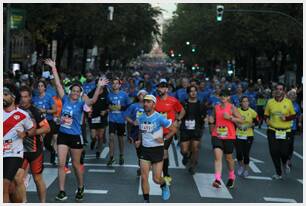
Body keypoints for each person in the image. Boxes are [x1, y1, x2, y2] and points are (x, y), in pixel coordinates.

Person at [45, 58, 109, 201]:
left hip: (75, 136)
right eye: (73, 90)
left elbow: (92, 101)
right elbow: (58, 84)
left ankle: (80, 187)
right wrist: (54, 68)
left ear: (80, 93)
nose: (74, 93)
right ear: (70, 91)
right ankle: (62, 191)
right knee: (61, 164)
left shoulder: (81, 104)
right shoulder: (65, 99)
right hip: (63, 135)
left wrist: (99, 86)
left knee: (76, 164)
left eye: (77, 91)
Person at [11, 86, 51, 203]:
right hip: (19, 151)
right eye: (21, 97)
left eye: (26, 97)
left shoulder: (36, 111)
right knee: (18, 179)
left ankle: (42, 203)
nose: (23, 99)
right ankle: (24, 202)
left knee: (37, 179)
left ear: (30, 98)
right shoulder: (14, 111)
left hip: (34, 151)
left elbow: (47, 128)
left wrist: (28, 133)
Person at [136, 94, 177, 203]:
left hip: (157, 150)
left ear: (154, 104)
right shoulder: (141, 117)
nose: (145, 104)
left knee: (156, 179)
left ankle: (163, 185)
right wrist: (139, 140)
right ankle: (146, 201)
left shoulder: (159, 117)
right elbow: (141, 130)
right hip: (145, 150)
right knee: (144, 177)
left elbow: (173, 130)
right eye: (145, 102)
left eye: (149, 102)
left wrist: (164, 139)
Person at [3, 84, 35, 203]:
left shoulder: (22, 115)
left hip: (13, 154)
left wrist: (25, 134)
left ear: (13, 97)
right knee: (11, 188)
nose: (2, 97)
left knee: (4, 185)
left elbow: (32, 129)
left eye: (5, 95)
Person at [209, 89, 243, 189]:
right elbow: (213, 118)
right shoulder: (216, 107)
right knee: (217, 157)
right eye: (221, 95)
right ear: (219, 97)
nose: (223, 97)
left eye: (225, 95)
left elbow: (241, 120)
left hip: (229, 136)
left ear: (228, 97)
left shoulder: (232, 107)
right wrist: (211, 121)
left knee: (228, 159)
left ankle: (232, 176)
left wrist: (230, 118)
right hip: (217, 135)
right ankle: (217, 179)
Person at [155, 79, 185, 185]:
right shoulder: (154, 100)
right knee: (159, 152)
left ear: (167, 89)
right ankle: (158, 171)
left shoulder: (173, 100)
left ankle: (166, 174)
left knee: (163, 150)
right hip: (156, 131)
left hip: (168, 131)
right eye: (159, 87)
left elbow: (182, 111)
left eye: (162, 87)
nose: (160, 89)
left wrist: (177, 120)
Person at [264, 83, 296, 179]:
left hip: (285, 131)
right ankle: (278, 173)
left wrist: (286, 118)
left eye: (281, 89)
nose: (279, 91)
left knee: (284, 152)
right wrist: (267, 120)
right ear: (275, 90)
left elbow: (294, 115)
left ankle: (285, 162)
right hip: (273, 130)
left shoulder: (288, 102)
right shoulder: (270, 102)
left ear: (283, 91)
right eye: (277, 89)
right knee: (274, 152)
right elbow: (266, 114)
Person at [180, 86, 207, 175]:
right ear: (188, 93)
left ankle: (192, 166)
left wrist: (206, 122)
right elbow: (179, 115)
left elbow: (204, 117)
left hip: (196, 129)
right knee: (184, 150)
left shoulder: (201, 105)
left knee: (195, 148)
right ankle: (186, 155)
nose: (193, 93)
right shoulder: (184, 104)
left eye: (195, 91)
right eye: (191, 91)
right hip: (185, 129)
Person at [107, 77, 131, 166]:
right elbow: (108, 105)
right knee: (111, 137)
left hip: (121, 120)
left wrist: (122, 108)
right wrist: (109, 107)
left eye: (116, 83)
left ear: (120, 85)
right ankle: (111, 157)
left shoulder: (124, 95)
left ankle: (121, 155)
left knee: (120, 139)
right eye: (113, 83)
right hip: (112, 119)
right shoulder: (109, 95)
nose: (114, 85)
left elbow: (129, 106)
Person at [32, 80, 57, 165]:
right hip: (38, 123)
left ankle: (52, 151)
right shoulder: (34, 98)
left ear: (45, 87)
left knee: (46, 143)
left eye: (42, 86)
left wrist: (45, 111)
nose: (40, 88)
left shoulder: (49, 97)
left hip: (48, 122)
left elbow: (55, 110)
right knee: (38, 143)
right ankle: (39, 161)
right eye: (38, 86)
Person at [125, 89, 148, 176]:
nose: (143, 96)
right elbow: (125, 115)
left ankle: (142, 166)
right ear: (138, 96)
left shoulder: (150, 105)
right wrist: (132, 122)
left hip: (147, 130)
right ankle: (140, 164)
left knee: (145, 148)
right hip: (136, 130)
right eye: (141, 95)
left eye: (145, 94)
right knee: (138, 149)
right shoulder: (133, 106)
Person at [235, 96, 258, 178]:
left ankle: (246, 170)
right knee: (238, 153)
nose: (245, 103)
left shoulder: (252, 112)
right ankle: (241, 166)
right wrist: (238, 125)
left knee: (246, 153)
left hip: (248, 135)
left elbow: (256, 122)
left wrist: (248, 125)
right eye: (243, 101)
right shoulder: (237, 111)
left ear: (248, 102)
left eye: (246, 101)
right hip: (238, 134)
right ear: (241, 103)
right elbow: (233, 120)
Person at [87, 77, 109, 159]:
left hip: (102, 116)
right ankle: (93, 141)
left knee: (100, 136)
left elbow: (110, 106)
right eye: (99, 83)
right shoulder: (92, 93)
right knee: (93, 136)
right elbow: (87, 103)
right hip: (93, 116)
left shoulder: (107, 93)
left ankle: (98, 151)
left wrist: (105, 111)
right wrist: (89, 111)